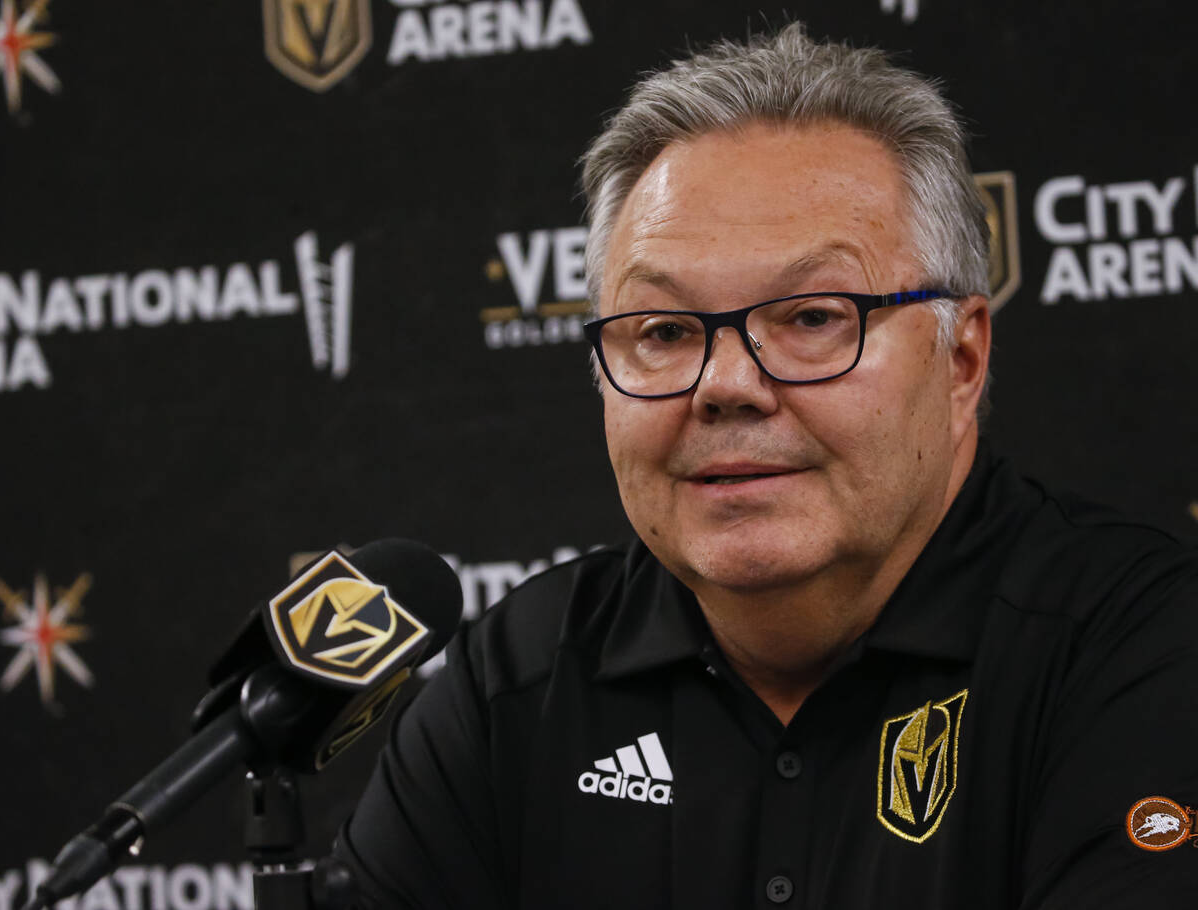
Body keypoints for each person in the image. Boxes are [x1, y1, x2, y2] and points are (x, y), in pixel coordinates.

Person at [333, 23, 1198, 907]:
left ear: (962, 360)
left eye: (814, 317)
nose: (727, 385)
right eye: (665, 332)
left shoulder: (1138, 650)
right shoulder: (511, 686)